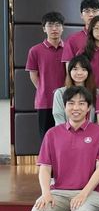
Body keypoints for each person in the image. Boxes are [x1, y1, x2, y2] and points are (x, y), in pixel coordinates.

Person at [26, 11, 66, 139]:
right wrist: (43, 89)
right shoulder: (35, 50)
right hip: (45, 102)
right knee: (46, 138)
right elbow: (33, 75)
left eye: (58, 25)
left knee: (65, 137)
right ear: (44, 28)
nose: (54, 28)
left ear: (62, 28)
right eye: (50, 25)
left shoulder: (69, 49)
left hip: (66, 100)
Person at [52, 55, 97, 125]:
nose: (79, 73)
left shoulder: (97, 93)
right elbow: (59, 119)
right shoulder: (60, 93)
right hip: (66, 131)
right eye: (75, 69)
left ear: (88, 72)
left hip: (91, 131)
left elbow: (98, 119)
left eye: (83, 69)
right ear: (69, 71)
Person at [61, 0, 99, 69]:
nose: (91, 14)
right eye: (87, 11)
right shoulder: (72, 40)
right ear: (81, 15)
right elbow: (69, 68)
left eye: (95, 11)